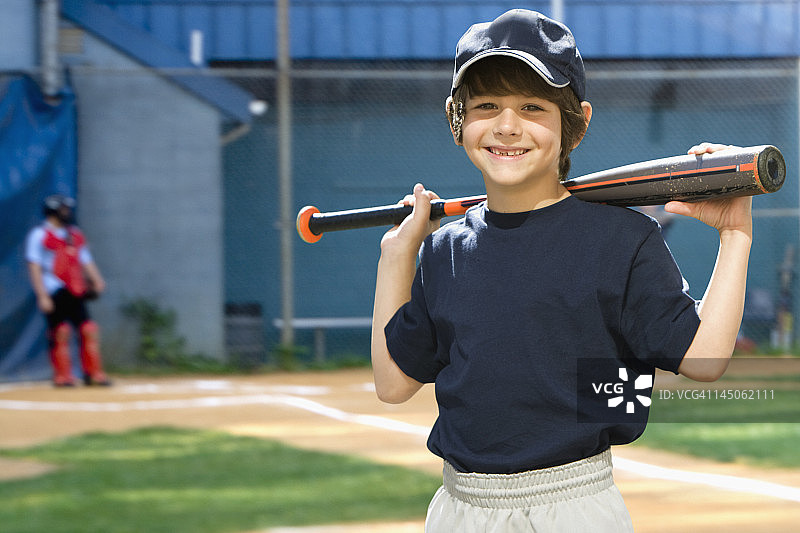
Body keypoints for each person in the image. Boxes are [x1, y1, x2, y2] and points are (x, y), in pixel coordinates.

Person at [370, 9, 751, 532]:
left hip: (573, 503)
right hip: (460, 506)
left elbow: (704, 361)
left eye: (532, 106)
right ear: (457, 118)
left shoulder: (621, 238)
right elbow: (392, 384)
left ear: (577, 120)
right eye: (486, 106)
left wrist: (735, 235)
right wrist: (396, 258)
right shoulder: (445, 250)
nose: (507, 125)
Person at [26, 194, 112, 387]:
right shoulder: (40, 235)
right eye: (63, 209)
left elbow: (84, 259)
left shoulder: (73, 234)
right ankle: (62, 376)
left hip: (75, 287)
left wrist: (97, 279)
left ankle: (93, 374)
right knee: (60, 331)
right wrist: (42, 295)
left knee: (88, 329)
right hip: (53, 288)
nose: (67, 213)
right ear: (53, 211)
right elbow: (35, 266)